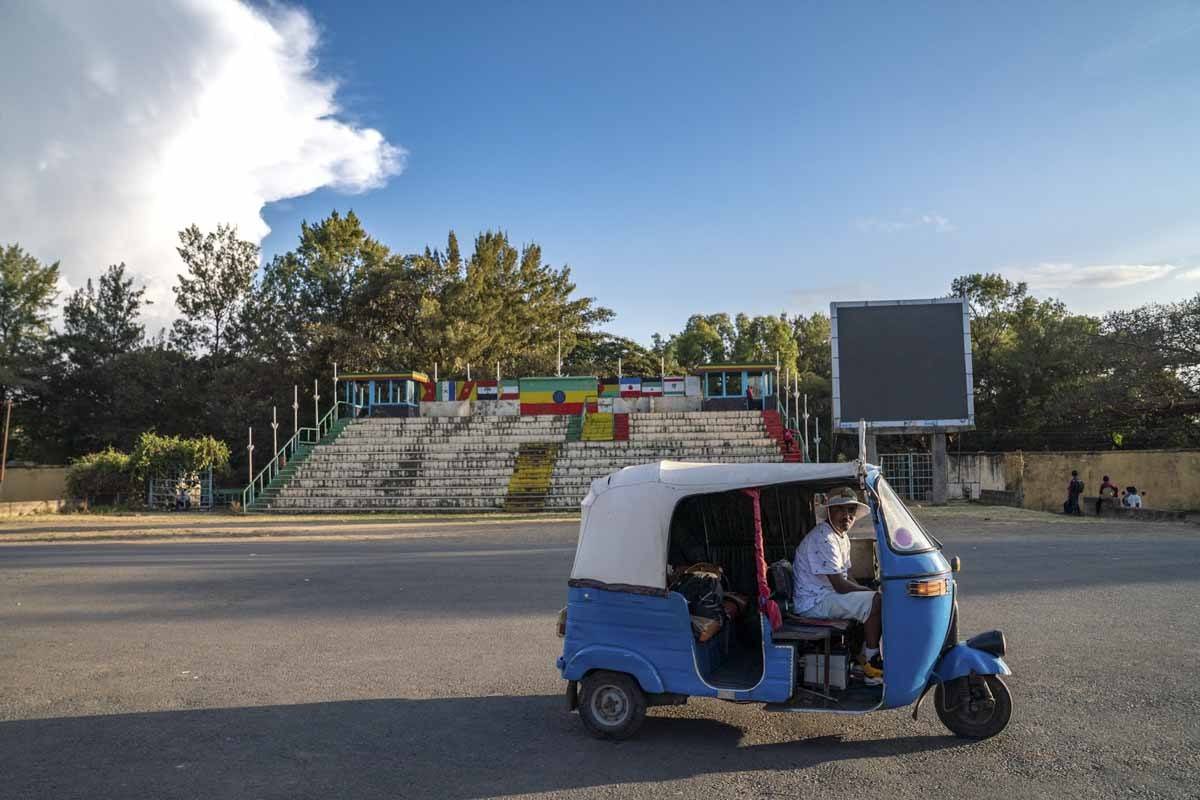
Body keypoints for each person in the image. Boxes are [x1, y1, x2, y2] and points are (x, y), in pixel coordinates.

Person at [792, 487, 883, 683]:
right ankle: (871, 663)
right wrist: (871, 594)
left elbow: (847, 573)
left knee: (874, 599)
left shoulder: (841, 536)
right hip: (814, 602)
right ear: (829, 512)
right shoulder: (824, 538)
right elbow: (841, 585)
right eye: (840, 510)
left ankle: (862, 658)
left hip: (827, 595)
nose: (847, 515)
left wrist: (867, 591)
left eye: (850, 510)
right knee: (875, 602)